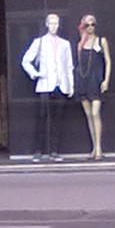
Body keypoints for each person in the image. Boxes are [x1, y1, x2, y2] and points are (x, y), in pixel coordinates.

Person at [20, 13, 74, 161]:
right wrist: (35, 74)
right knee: (42, 118)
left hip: (60, 86)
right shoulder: (40, 42)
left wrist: (71, 85)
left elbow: (69, 66)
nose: (54, 26)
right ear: (46, 24)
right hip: (45, 86)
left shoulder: (65, 44)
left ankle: (54, 151)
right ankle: (38, 150)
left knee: (57, 120)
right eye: (51, 23)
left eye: (56, 23)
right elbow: (26, 61)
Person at [74, 13, 112, 160]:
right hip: (83, 80)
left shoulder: (101, 41)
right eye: (87, 25)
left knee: (96, 113)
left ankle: (99, 148)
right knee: (89, 115)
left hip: (96, 80)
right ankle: (94, 147)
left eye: (92, 24)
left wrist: (106, 80)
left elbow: (108, 61)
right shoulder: (80, 44)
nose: (90, 27)